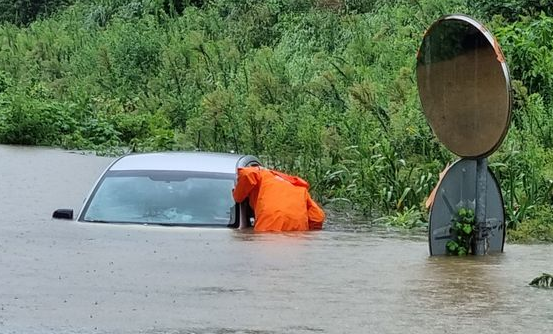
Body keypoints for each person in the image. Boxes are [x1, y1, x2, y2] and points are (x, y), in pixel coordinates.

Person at [232, 166, 325, 232]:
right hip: (298, 233)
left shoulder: (262, 173)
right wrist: (310, 233)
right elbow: (318, 217)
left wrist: (238, 197)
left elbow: (247, 173)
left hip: (270, 223)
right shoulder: (300, 189)